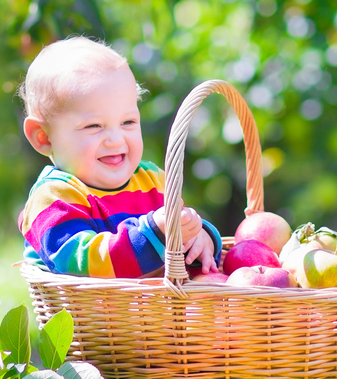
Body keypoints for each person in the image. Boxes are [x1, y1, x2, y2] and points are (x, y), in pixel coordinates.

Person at [17, 37, 222, 278]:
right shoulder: (53, 199)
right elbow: (83, 264)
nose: (116, 139)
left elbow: (178, 244)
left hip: (161, 313)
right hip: (93, 315)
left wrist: (200, 236)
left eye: (128, 122)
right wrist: (152, 232)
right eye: (94, 126)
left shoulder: (154, 180)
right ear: (44, 137)